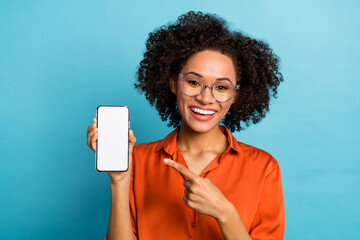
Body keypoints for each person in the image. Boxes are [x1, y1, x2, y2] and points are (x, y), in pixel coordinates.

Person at [87, 11, 284, 240]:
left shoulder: (263, 168)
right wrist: (120, 182)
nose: (206, 98)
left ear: (236, 95)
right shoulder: (136, 160)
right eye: (193, 82)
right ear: (173, 84)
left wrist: (225, 213)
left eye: (221, 87)